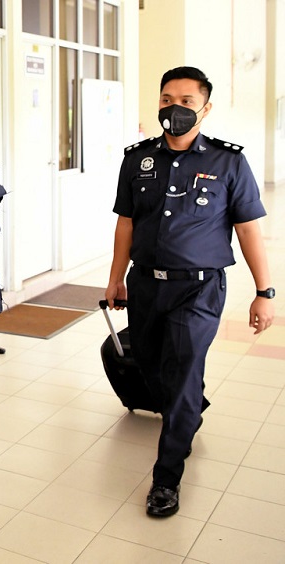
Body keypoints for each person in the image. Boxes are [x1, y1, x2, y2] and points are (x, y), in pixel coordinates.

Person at [105, 66, 274, 518]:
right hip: (144, 285)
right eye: (165, 100)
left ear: (205, 108)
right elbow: (126, 222)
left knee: (179, 377)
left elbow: (248, 228)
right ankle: (187, 413)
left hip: (198, 291)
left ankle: (166, 477)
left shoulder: (228, 162)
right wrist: (116, 276)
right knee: (154, 367)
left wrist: (265, 291)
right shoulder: (137, 158)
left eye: (184, 100)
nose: (173, 108)